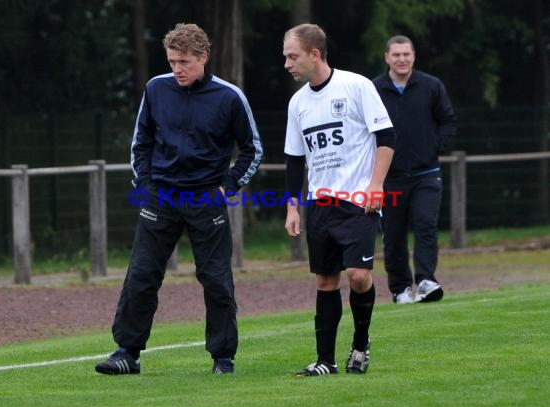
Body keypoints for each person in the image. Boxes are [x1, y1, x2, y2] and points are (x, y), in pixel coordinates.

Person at [95, 23, 263, 375]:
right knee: (141, 274)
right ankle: (127, 352)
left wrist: (227, 187)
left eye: (184, 61)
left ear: (203, 57)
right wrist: (146, 184)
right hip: (161, 197)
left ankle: (223, 358)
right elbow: (140, 142)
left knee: (216, 278)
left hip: (207, 200)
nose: (177, 69)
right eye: (172, 61)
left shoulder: (230, 97)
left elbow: (252, 149)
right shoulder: (156, 89)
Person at [282, 24, 395, 376]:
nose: (286, 63)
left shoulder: (357, 86)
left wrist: (376, 185)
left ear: (315, 54)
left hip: (358, 201)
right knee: (325, 281)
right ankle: (325, 361)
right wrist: (292, 206)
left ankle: (360, 345)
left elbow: (387, 137)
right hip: (319, 205)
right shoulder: (298, 103)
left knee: (359, 276)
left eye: (292, 56)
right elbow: (294, 159)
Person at [372, 35, 456, 304]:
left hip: (426, 175)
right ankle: (400, 290)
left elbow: (448, 122)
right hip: (390, 179)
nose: (401, 59)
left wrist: (432, 147)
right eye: (396, 54)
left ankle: (426, 281)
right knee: (393, 236)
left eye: (406, 54)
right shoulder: (373, 90)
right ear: (386, 57)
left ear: (413, 56)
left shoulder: (431, 86)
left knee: (426, 226)